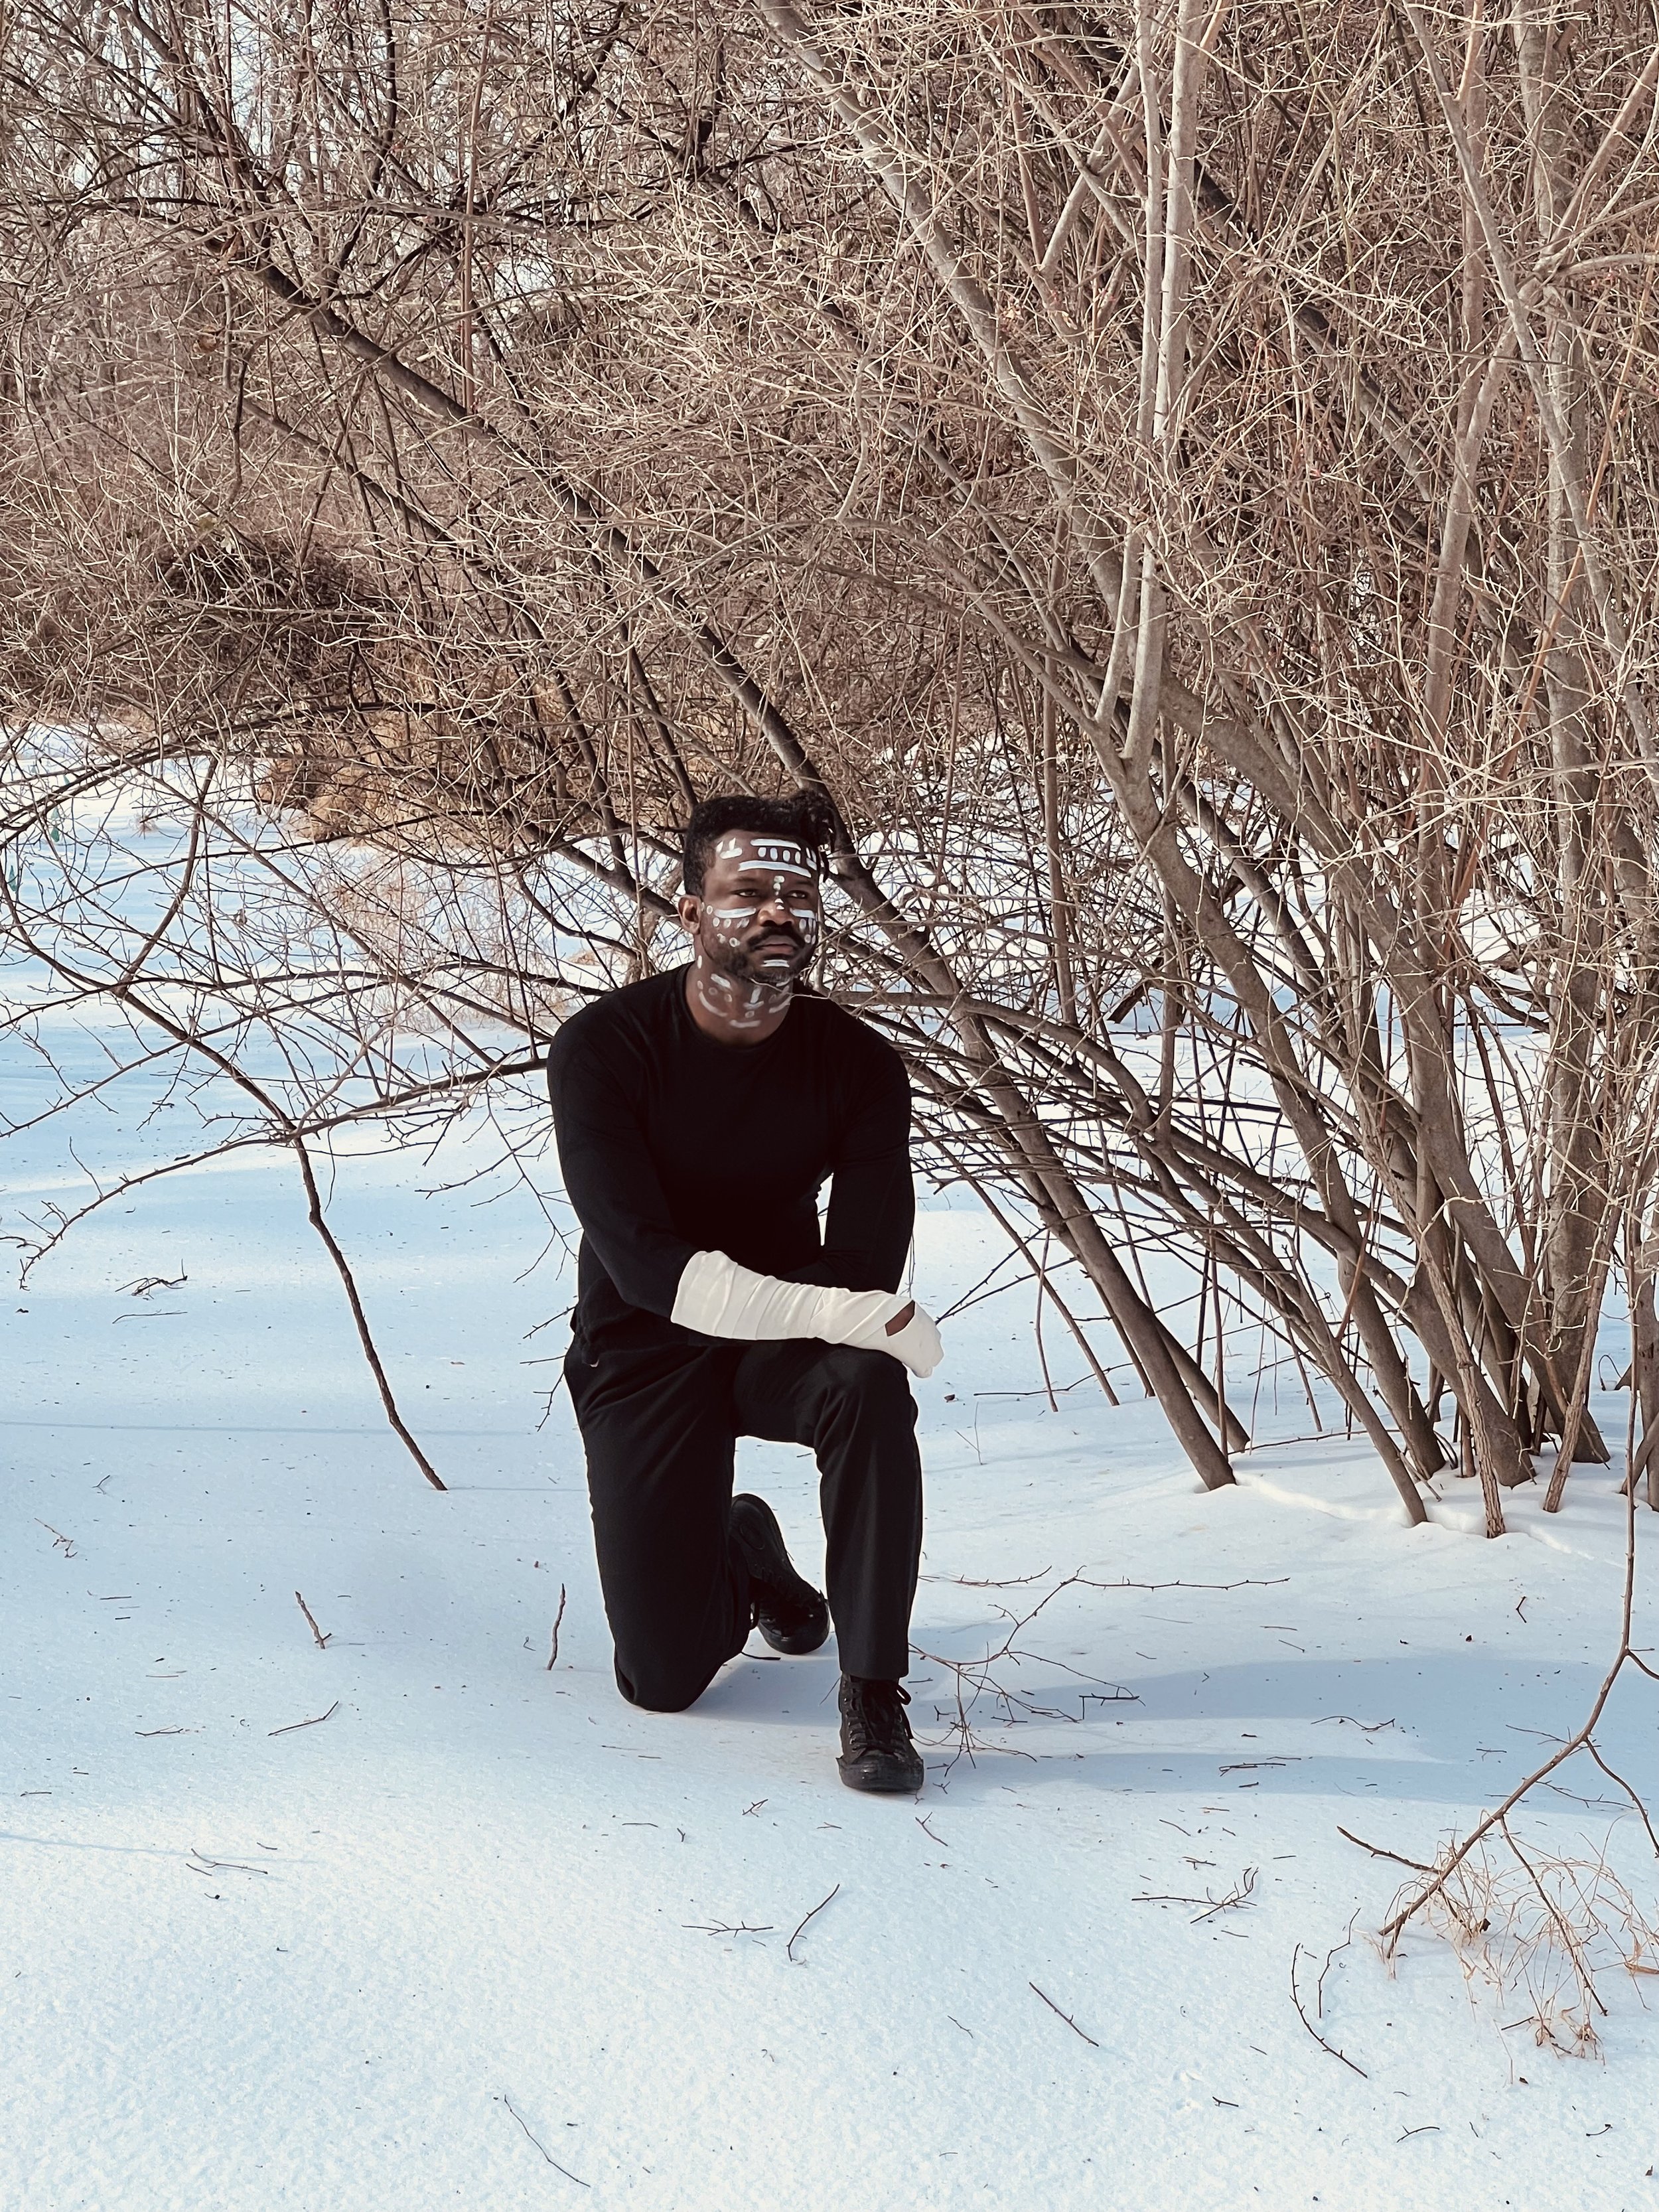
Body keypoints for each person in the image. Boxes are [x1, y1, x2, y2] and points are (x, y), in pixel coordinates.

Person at [545, 792, 942, 1792]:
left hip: (779, 1344)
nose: (777, 912)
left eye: (798, 894)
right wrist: (836, 1311)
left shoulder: (858, 1065)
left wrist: (843, 1317)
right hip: (641, 1343)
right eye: (749, 890)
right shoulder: (604, 1047)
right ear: (690, 912)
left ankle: (872, 1689)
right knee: (661, 1678)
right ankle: (744, 1546)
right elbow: (647, 1265)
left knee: (867, 1381)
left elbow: (864, 1269)